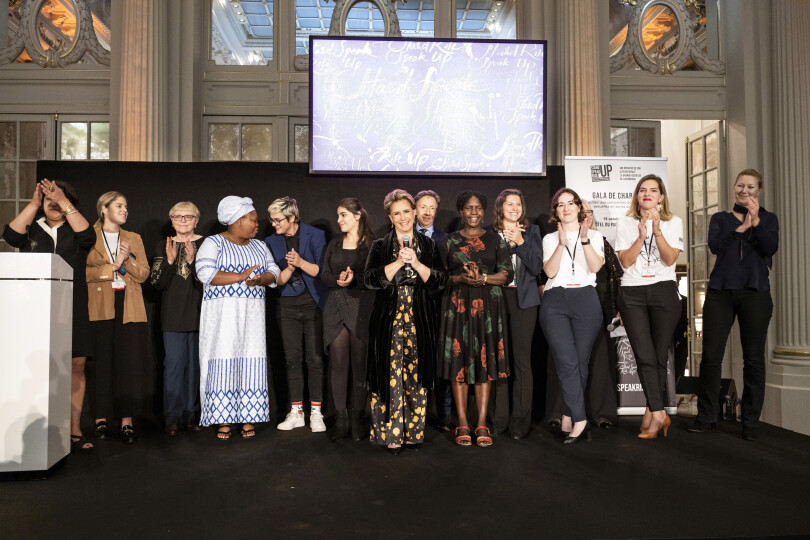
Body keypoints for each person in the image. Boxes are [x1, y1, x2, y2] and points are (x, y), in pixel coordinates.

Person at [2, 178, 96, 453]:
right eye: (48, 199)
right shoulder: (33, 228)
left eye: (59, 198)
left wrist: (62, 201)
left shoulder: (76, 229)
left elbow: (89, 238)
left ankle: (74, 429)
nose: (52, 203)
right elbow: (10, 237)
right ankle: (39, 431)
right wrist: (33, 203)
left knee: (76, 365)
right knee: (38, 367)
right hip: (34, 306)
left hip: (72, 304)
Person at [690, 169, 778, 441]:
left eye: (750, 186)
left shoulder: (769, 219)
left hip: (755, 293)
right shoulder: (720, 218)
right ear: (734, 187)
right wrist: (741, 227)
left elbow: (770, 247)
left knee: (753, 359)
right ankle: (707, 415)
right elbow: (716, 246)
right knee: (711, 357)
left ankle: (750, 421)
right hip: (720, 293)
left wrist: (756, 221)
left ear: (758, 190)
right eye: (740, 185)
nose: (744, 190)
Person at [364, 189, 446, 454]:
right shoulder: (380, 246)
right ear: (390, 217)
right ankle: (391, 433)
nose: (403, 218)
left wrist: (419, 264)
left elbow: (440, 282)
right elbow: (369, 280)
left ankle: (414, 432)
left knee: (416, 375)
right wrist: (398, 262)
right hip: (388, 321)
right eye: (396, 213)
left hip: (419, 318)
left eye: (406, 212)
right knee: (389, 376)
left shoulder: (430, 245)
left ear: (414, 213)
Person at [195, 196, 279, 440]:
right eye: (252, 220)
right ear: (236, 221)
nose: (257, 225)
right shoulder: (214, 243)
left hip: (251, 317)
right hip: (222, 318)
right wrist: (241, 276)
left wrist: (260, 279)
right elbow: (205, 273)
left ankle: (248, 416)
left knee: (250, 359)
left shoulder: (260, 246)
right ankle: (222, 419)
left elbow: (273, 270)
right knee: (223, 358)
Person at [438, 191, 513, 447]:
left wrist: (482, 279)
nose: (473, 212)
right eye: (469, 208)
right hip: (457, 309)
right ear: (461, 211)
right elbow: (439, 277)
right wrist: (459, 278)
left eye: (478, 208)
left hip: (488, 312)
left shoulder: (495, 240)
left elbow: (506, 274)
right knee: (459, 363)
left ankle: (481, 423)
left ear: (484, 211)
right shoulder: (449, 242)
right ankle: (461, 422)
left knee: (484, 363)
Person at [615, 175, 683, 439]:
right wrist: (641, 236)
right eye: (642, 190)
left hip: (664, 292)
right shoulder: (625, 222)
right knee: (644, 355)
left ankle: (652, 413)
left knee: (657, 356)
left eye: (653, 190)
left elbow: (668, 261)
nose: (647, 193)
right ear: (636, 196)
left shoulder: (673, 222)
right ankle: (659, 413)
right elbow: (627, 262)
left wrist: (656, 230)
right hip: (632, 293)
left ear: (661, 197)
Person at [539, 188, 604, 444]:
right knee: (566, 362)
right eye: (560, 205)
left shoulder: (596, 236)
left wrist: (584, 239)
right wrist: (562, 244)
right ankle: (580, 418)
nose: (565, 208)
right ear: (555, 211)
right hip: (555, 302)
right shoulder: (549, 239)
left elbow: (596, 267)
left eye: (570, 203)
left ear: (579, 208)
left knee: (579, 362)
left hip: (586, 299)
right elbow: (550, 272)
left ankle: (568, 413)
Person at [86, 191, 150, 445]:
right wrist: (110, 268)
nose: (125, 210)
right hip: (99, 305)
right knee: (100, 363)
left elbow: (143, 274)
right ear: (104, 209)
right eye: (119, 206)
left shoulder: (134, 238)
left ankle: (127, 422)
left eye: (126, 206)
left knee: (129, 364)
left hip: (129, 305)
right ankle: (99, 419)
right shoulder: (88, 235)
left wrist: (125, 263)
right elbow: (84, 271)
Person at [265, 196, 329, 433]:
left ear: (292, 217)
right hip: (287, 305)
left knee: (314, 359)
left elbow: (322, 271)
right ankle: (296, 412)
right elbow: (273, 277)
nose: (274, 224)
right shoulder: (271, 241)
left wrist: (300, 262)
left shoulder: (315, 235)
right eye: (272, 220)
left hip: (313, 303)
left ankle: (316, 411)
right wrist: (288, 268)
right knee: (292, 359)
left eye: (278, 220)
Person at [320, 198, 375, 441]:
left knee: (360, 366)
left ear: (357, 216)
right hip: (335, 306)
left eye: (343, 215)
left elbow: (375, 278)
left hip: (361, 306)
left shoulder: (372, 245)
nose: (339, 220)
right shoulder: (334, 244)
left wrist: (354, 279)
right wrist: (338, 280)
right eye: (338, 215)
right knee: (339, 364)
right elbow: (325, 275)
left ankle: (357, 419)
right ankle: (340, 419)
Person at [149, 202, 204, 436]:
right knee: (173, 367)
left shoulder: (207, 244)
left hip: (201, 315)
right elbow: (156, 283)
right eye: (178, 217)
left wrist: (193, 264)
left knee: (195, 368)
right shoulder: (164, 245)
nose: (183, 220)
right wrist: (170, 262)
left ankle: (191, 415)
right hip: (172, 317)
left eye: (188, 216)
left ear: (196, 220)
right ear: (171, 221)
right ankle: (172, 417)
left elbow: (210, 282)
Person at [492, 188, 542, 440]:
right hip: (497, 301)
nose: (514, 208)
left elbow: (536, 267)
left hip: (524, 302)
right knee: (500, 361)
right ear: (500, 207)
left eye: (518, 204)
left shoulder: (532, 232)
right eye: (509, 204)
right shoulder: (491, 235)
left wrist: (520, 243)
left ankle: (520, 422)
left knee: (522, 362)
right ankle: (499, 419)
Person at [414, 189, 452, 432]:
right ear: (415, 209)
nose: (427, 212)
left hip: (438, 305)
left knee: (441, 360)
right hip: (409, 306)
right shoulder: (399, 235)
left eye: (432, 208)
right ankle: (416, 412)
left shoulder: (446, 239)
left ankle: (445, 414)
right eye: (423, 207)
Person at [581, 200, 621, 428]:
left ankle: (602, 412)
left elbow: (615, 274)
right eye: (582, 211)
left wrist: (615, 309)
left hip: (599, 306)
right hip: (571, 306)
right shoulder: (561, 238)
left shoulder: (601, 241)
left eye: (589, 212)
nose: (586, 215)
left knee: (599, 359)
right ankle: (569, 412)